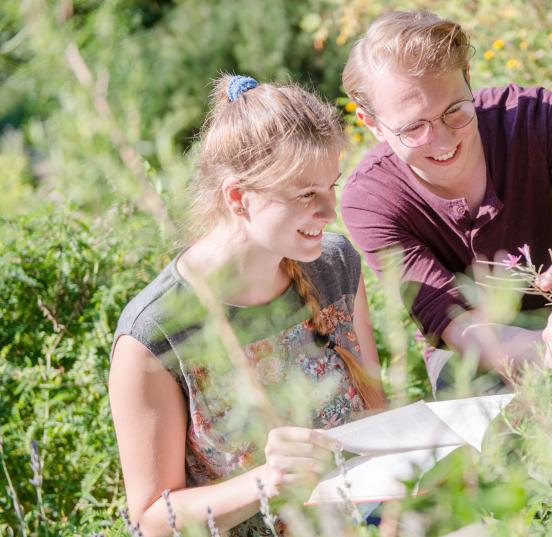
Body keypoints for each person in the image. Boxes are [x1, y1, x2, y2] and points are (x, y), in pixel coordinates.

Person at [109, 75, 384, 536]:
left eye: (330, 187)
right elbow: (153, 520)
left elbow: (375, 416)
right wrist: (266, 483)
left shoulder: (334, 263)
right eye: (305, 194)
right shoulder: (153, 333)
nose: (329, 211)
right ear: (238, 198)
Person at [340, 11, 552, 392]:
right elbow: (450, 321)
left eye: (454, 111)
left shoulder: (536, 118)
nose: (444, 141)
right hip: (469, 353)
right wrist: (542, 347)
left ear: (467, 76)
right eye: (414, 128)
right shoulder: (370, 199)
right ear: (372, 124)